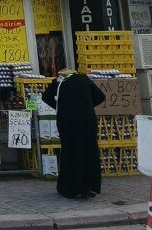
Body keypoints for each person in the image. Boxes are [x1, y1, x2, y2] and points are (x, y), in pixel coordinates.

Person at [42, 69, 105, 199]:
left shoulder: (58, 83)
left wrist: (61, 106)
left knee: (70, 153)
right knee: (89, 151)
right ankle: (88, 187)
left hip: (67, 122)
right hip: (86, 121)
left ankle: (70, 188)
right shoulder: (83, 79)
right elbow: (100, 96)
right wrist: (86, 104)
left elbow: (46, 97)